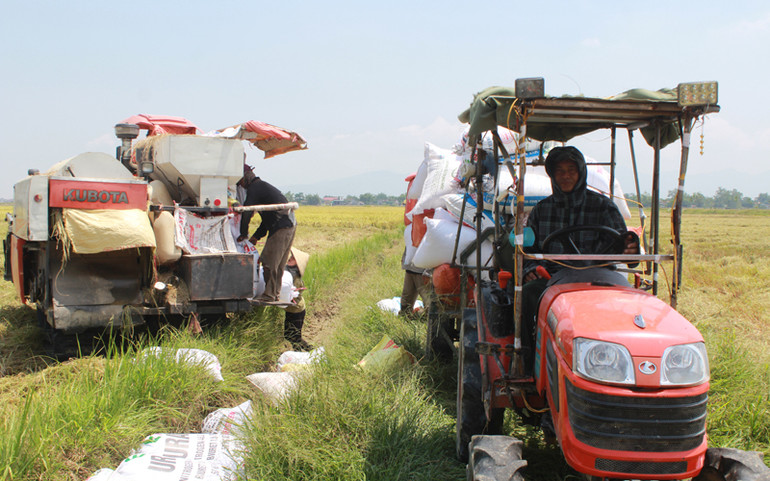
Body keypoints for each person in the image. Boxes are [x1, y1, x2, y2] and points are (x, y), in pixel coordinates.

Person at [520, 146, 639, 365]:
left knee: (634, 306)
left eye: (571, 170)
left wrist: (631, 248)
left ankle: (626, 361)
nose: (566, 175)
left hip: (601, 279)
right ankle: (528, 363)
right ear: (552, 175)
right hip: (553, 279)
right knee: (527, 295)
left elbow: (626, 249)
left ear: (581, 172)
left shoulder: (604, 207)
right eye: (560, 170)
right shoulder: (541, 210)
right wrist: (528, 270)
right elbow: (528, 250)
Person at [237, 165, 296, 303]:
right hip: (288, 224)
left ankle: (269, 295)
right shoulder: (262, 188)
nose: (240, 185)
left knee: (269, 261)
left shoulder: (254, 188)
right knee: (278, 264)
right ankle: (275, 293)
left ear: (245, 178)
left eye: (240, 182)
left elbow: (247, 211)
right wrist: (256, 236)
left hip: (282, 226)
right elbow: (266, 221)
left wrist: (243, 233)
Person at [284, 247, 313, 351]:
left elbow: (290, 294)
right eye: (291, 257)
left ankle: (302, 354)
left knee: (293, 336)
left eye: (293, 259)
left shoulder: (295, 278)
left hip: (296, 310)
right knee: (291, 335)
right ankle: (309, 350)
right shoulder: (289, 273)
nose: (290, 259)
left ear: (297, 265)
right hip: (292, 309)